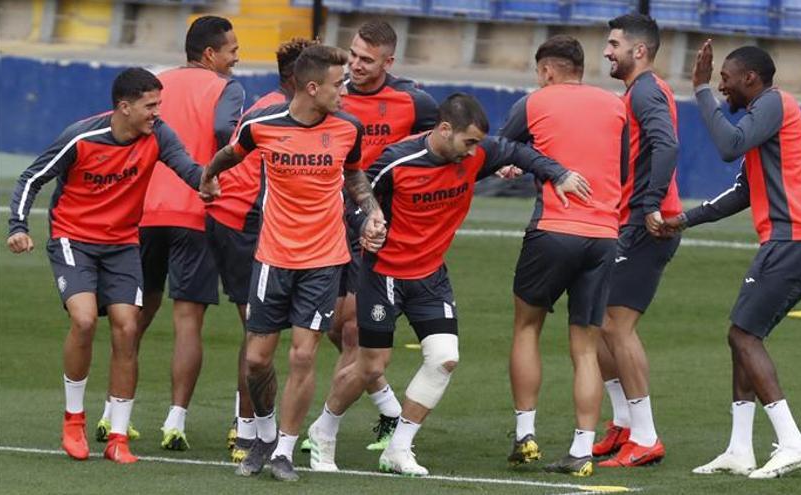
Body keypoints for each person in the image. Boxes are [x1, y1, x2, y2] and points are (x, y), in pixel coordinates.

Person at [305, 93, 590, 477]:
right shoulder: (397, 160)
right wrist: (364, 224)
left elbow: (520, 154)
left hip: (431, 276)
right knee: (370, 367)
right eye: (468, 141)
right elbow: (351, 193)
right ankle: (323, 431)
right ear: (443, 130)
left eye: (478, 144)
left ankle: (399, 448)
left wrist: (559, 174)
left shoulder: (475, 154)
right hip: (384, 274)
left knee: (444, 359)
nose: (476, 151)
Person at [199, 44, 387, 482]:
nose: (347, 89)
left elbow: (355, 173)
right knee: (257, 361)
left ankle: (284, 450)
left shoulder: (347, 129)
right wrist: (208, 177)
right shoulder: (262, 127)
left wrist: (372, 209)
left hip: (325, 261)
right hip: (272, 257)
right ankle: (264, 436)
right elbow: (231, 153)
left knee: (303, 356)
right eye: (340, 84)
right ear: (312, 87)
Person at [7, 68, 205, 464]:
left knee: (128, 327)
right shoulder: (81, 137)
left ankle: (118, 435)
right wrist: (18, 226)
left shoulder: (159, 135)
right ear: (124, 106)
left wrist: (213, 180)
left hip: (122, 244)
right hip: (73, 239)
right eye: (150, 106)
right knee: (83, 321)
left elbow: (190, 171)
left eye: (159, 105)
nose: (157, 113)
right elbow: (33, 178)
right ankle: (74, 420)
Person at [663, 42, 801, 479]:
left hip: (795, 238)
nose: (721, 86)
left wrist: (698, 89)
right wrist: (686, 219)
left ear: (750, 80)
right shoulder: (764, 121)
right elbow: (742, 191)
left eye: (726, 79)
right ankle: (740, 449)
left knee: (743, 336)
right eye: (717, 80)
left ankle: (792, 440)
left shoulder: (774, 103)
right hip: (794, 238)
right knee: (742, 335)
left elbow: (727, 144)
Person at [97, 15, 244, 451]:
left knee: (134, 318)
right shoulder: (226, 88)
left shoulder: (154, 85)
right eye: (232, 51)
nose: (237, 59)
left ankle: (111, 412)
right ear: (210, 54)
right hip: (194, 211)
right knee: (187, 320)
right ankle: (175, 420)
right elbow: (224, 130)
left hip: (144, 212)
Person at [301, 20, 439, 454]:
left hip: (377, 227)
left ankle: (327, 428)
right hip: (326, 222)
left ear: (388, 62)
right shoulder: (328, 93)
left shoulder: (413, 101)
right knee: (330, 325)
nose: (356, 65)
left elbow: (443, 145)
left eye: (366, 59)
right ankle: (390, 410)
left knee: (354, 333)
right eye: (354, 54)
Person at [499, 35, 628, 477]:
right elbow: (624, 167)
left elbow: (499, 146)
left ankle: (525, 435)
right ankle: (583, 450)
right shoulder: (615, 106)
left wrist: (525, 162)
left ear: (548, 71)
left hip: (554, 228)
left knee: (527, 327)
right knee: (586, 350)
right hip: (604, 234)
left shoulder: (535, 102)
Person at [209, 37, 317, 463]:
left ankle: (252, 427)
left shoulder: (288, 110)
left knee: (264, 331)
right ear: (300, 80)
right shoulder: (276, 114)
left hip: (248, 222)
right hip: (242, 224)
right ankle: (247, 429)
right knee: (256, 329)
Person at [590, 13, 682, 468]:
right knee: (600, 323)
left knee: (615, 327)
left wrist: (649, 205)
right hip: (629, 221)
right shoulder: (640, 91)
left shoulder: (646, 91)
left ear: (638, 50)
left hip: (646, 226)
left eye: (613, 44)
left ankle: (645, 436)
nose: (607, 51)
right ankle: (625, 424)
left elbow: (666, 145)